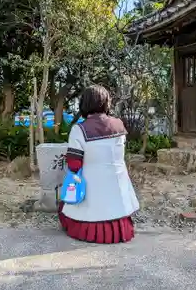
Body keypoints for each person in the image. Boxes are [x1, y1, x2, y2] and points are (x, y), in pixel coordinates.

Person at [58, 85, 140, 243]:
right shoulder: (119, 125)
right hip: (118, 190)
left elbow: (74, 164)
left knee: (67, 204)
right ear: (106, 103)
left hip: (92, 193)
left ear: (84, 103)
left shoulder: (79, 129)